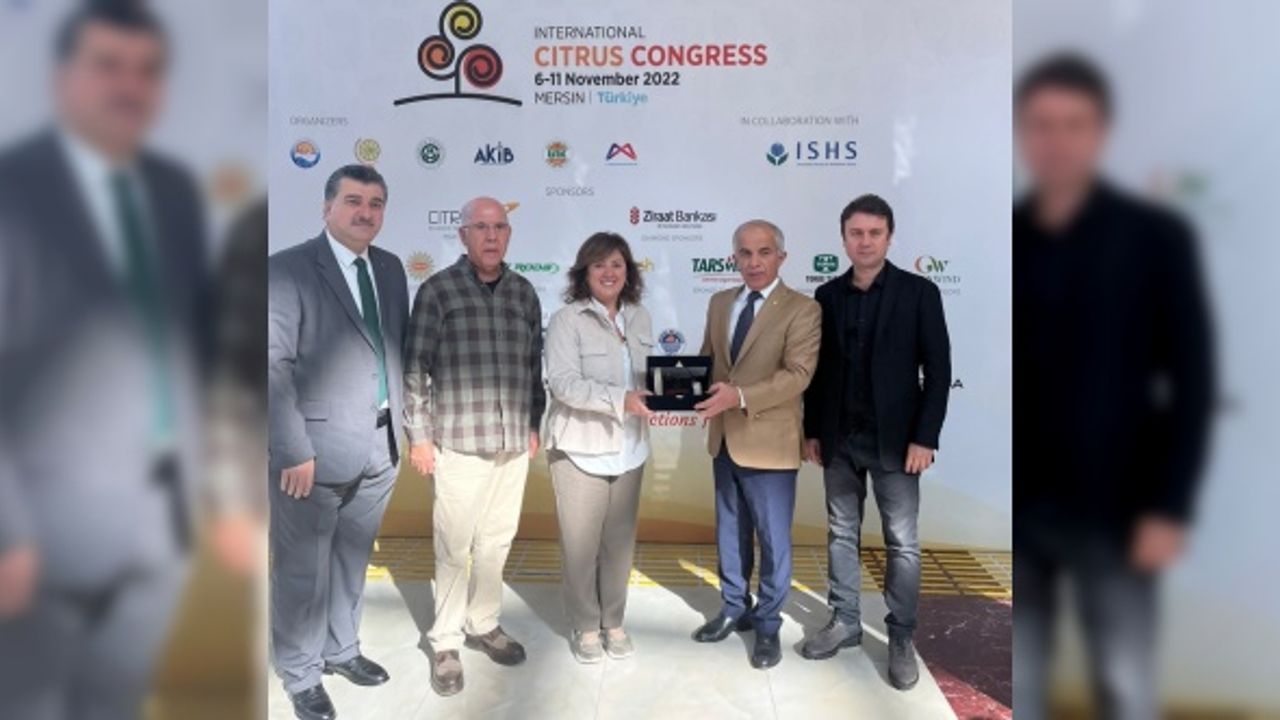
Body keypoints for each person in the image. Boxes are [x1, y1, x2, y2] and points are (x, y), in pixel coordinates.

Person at [0, 5, 211, 718]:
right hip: (39, 538)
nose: (130, 86)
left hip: (162, 523)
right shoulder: (11, 190)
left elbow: (186, 342)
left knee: (115, 703)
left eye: (147, 70)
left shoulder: (173, 192)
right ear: (61, 77)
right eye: (108, 65)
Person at [1012, 53, 1214, 720]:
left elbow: (1194, 380)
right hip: (1021, 506)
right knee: (1020, 686)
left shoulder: (1157, 238)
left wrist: (1171, 507)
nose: (1057, 140)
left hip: (1120, 508)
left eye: (1074, 124)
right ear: (1022, 133)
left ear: (1101, 133)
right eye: (1042, 124)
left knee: (1126, 685)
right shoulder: (1006, 235)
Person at [268, 164, 409, 720]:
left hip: (381, 445)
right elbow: (271, 366)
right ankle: (301, 673)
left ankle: (341, 650)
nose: (365, 212)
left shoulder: (390, 268)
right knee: (302, 570)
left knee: (352, 558)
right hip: (311, 452)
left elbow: (393, 352)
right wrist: (292, 449)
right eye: (353, 201)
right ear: (327, 207)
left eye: (376, 203)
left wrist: (404, 431)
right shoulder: (287, 269)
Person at [801, 193, 952, 690]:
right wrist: (813, 431)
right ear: (843, 238)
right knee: (840, 532)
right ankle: (844, 620)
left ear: (889, 237)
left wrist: (924, 437)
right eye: (856, 233)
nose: (864, 242)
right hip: (840, 440)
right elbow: (819, 373)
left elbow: (939, 371)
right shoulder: (827, 295)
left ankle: (901, 636)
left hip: (897, 444)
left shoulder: (920, 292)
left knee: (902, 542)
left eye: (874, 233)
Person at [403, 196, 545, 696]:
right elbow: (415, 368)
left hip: (513, 443)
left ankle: (483, 622)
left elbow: (533, 367)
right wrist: (419, 437)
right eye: (481, 227)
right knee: (453, 546)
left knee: (497, 541)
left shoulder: (524, 292)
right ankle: (445, 642)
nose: (491, 236)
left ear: (509, 235)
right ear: (462, 235)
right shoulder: (437, 291)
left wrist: (533, 423)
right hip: (459, 444)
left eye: (499, 227)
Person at [690, 220, 821, 669]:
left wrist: (740, 396)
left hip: (771, 442)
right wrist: (679, 390)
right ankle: (734, 608)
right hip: (724, 438)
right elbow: (707, 361)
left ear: (781, 257)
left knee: (772, 539)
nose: (754, 262)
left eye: (764, 252)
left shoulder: (803, 309)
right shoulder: (719, 302)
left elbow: (798, 375)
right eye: (745, 253)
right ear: (734, 258)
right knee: (730, 531)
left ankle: (768, 624)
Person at [544, 232, 655, 663]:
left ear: (628, 272)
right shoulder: (566, 320)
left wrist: (669, 396)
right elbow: (564, 384)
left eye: (617, 264)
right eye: (599, 265)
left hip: (630, 450)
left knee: (619, 545)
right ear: (584, 272)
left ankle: (614, 621)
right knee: (580, 547)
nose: (609, 273)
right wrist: (621, 400)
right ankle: (586, 626)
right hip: (580, 449)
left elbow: (647, 378)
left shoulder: (639, 317)